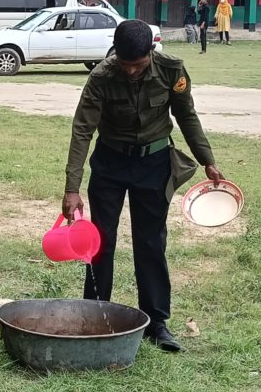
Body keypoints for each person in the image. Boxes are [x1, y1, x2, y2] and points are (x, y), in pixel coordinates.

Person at [63, 20, 222, 353]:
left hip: (154, 163)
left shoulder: (170, 70)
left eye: (138, 64)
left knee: (150, 243)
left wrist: (207, 159)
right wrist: (72, 188)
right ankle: (94, 313)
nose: (132, 70)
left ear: (151, 52)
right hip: (110, 163)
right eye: (125, 63)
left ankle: (156, 322)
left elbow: (186, 116)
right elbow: (82, 131)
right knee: (99, 241)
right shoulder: (102, 77)